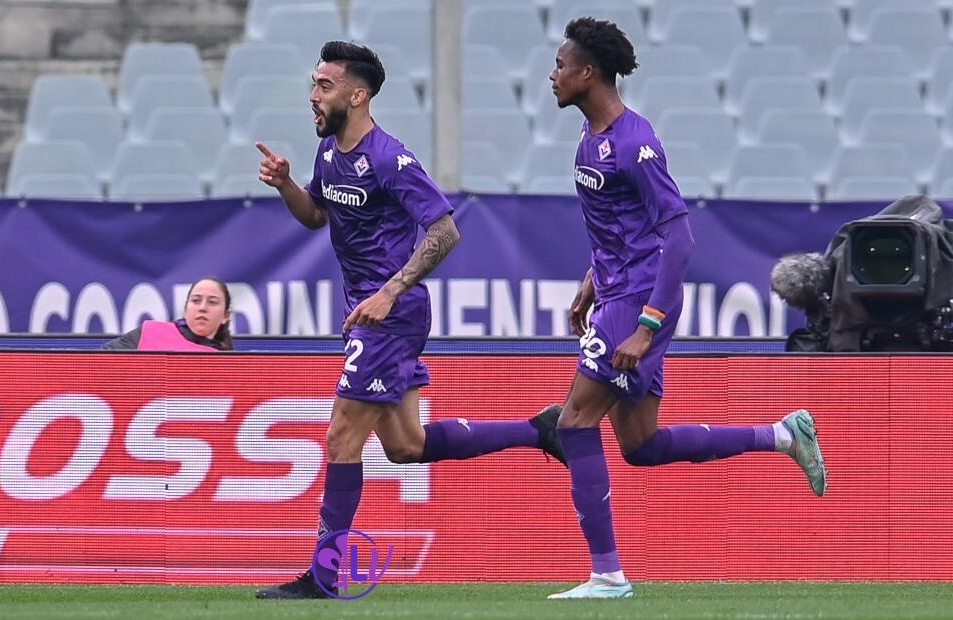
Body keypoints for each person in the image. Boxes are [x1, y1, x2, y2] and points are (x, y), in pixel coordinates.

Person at [252, 41, 565, 600]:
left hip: (391, 316)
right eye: (314, 84)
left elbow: (445, 231)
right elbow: (317, 217)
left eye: (324, 86)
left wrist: (390, 291)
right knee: (405, 446)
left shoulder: (390, 159)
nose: (313, 96)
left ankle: (324, 577)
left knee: (340, 438)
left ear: (358, 94)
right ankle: (539, 429)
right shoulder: (329, 154)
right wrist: (287, 187)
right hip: (372, 313)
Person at [541, 18, 828, 599]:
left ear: (587, 73)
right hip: (617, 290)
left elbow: (680, 240)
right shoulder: (590, 138)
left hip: (638, 302)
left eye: (561, 66)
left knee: (574, 423)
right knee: (641, 446)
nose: (553, 76)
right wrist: (592, 277)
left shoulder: (635, 143)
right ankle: (781, 435)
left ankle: (607, 575)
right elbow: (626, 228)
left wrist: (645, 327)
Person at [103, 276, 233, 351]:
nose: (202, 308)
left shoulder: (226, 361)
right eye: (196, 300)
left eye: (212, 302)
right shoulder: (150, 331)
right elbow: (99, 361)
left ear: (225, 316)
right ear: (185, 309)